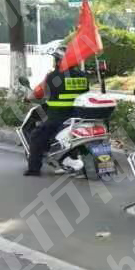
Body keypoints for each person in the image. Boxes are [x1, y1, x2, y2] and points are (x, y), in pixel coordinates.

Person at [24, 45, 90, 176]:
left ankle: (33, 170)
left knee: (36, 137)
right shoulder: (83, 76)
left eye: (55, 59)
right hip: (78, 116)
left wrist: (28, 98)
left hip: (58, 116)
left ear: (59, 61)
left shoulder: (53, 76)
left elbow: (39, 92)